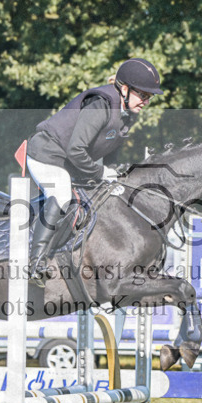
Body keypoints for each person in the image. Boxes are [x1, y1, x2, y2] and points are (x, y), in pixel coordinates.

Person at [25, 58, 163, 281]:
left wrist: (113, 173)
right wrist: (100, 174)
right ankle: (35, 261)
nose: (146, 101)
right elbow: (76, 150)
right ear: (125, 89)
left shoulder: (128, 112)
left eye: (150, 97)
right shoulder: (101, 104)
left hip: (70, 162)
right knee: (60, 193)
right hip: (47, 155)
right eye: (144, 95)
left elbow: (109, 149)